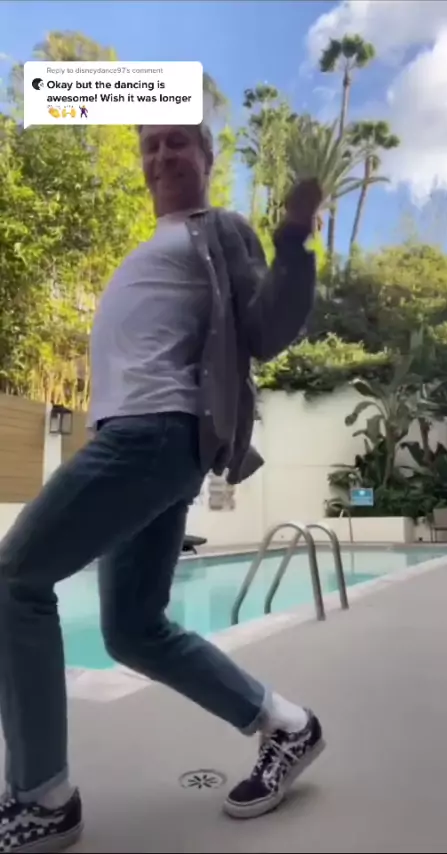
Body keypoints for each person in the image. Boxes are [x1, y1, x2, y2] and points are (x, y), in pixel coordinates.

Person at [0, 122, 325, 854]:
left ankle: (42, 797)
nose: (163, 155)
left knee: (15, 577)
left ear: (207, 157)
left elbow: (265, 328)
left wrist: (295, 240)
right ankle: (288, 726)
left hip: (156, 432)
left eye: (179, 142)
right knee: (132, 629)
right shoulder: (151, 246)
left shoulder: (220, 231)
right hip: (136, 439)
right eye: (151, 145)